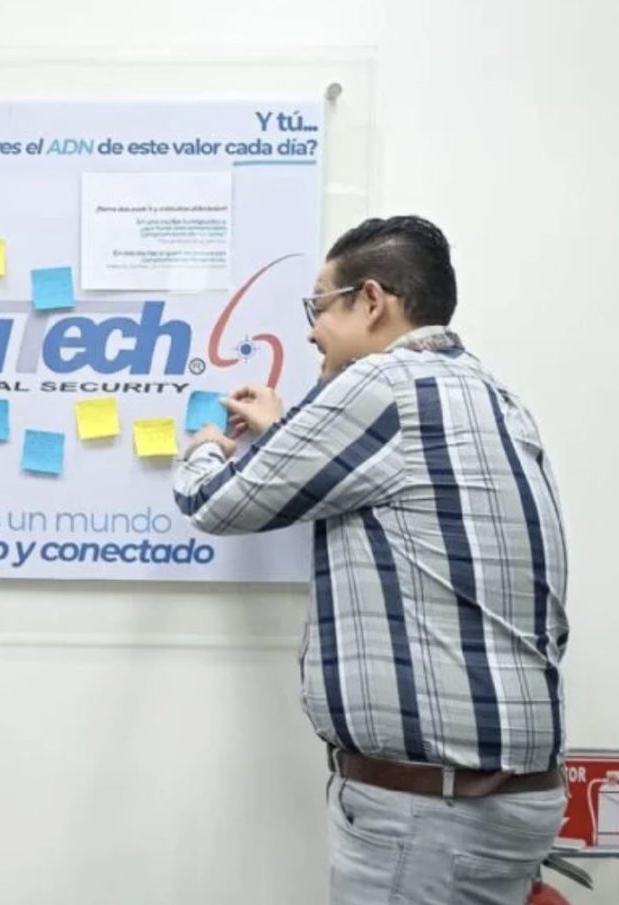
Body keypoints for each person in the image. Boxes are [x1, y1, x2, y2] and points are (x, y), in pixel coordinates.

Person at [173, 216, 568, 904]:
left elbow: (217, 503)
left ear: (372, 301)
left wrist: (206, 444)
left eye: (319, 306)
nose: (310, 332)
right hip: (502, 799)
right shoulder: (490, 395)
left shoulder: (382, 384)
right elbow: (395, 489)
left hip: (432, 813)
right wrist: (286, 430)